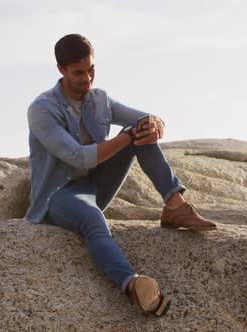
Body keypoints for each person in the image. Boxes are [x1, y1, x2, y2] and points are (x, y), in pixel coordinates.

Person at [25, 33, 217, 317]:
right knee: (93, 217)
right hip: (60, 196)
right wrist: (126, 138)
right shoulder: (41, 110)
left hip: (97, 185)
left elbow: (146, 118)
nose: (87, 78)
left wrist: (155, 124)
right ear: (61, 70)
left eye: (91, 69)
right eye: (79, 73)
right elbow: (78, 155)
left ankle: (175, 205)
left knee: (141, 129)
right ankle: (133, 283)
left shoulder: (100, 99)